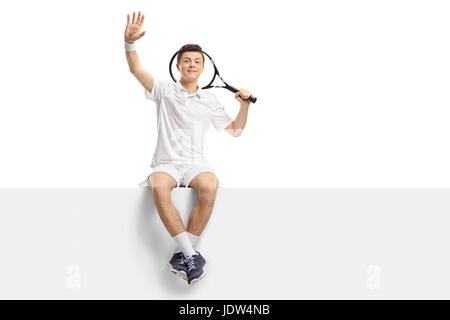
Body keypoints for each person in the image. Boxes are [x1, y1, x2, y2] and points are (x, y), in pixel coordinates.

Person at [124, 11, 253, 286]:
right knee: (158, 186)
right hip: (166, 164)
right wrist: (129, 43)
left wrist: (243, 107)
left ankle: (183, 257)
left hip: (195, 163)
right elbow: (136, 70)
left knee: (210, 183)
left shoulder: (210, 100)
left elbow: (236, 131)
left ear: (203, 68)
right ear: (179, 66)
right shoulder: (163, 91)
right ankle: (191, 255)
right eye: (187, 61)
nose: (192, 64)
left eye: (197, 61)